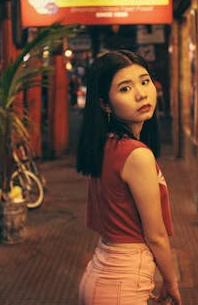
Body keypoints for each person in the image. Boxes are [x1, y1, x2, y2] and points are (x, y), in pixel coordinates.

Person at [76, 50, 182, 305]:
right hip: (122, 284)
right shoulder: (136, 155)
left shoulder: (104, 144)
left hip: (100, 273)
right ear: (105, 103)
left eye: (145, 82)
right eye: (125, 88)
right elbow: (155, 235)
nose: (141, 94)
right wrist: (171, 281)